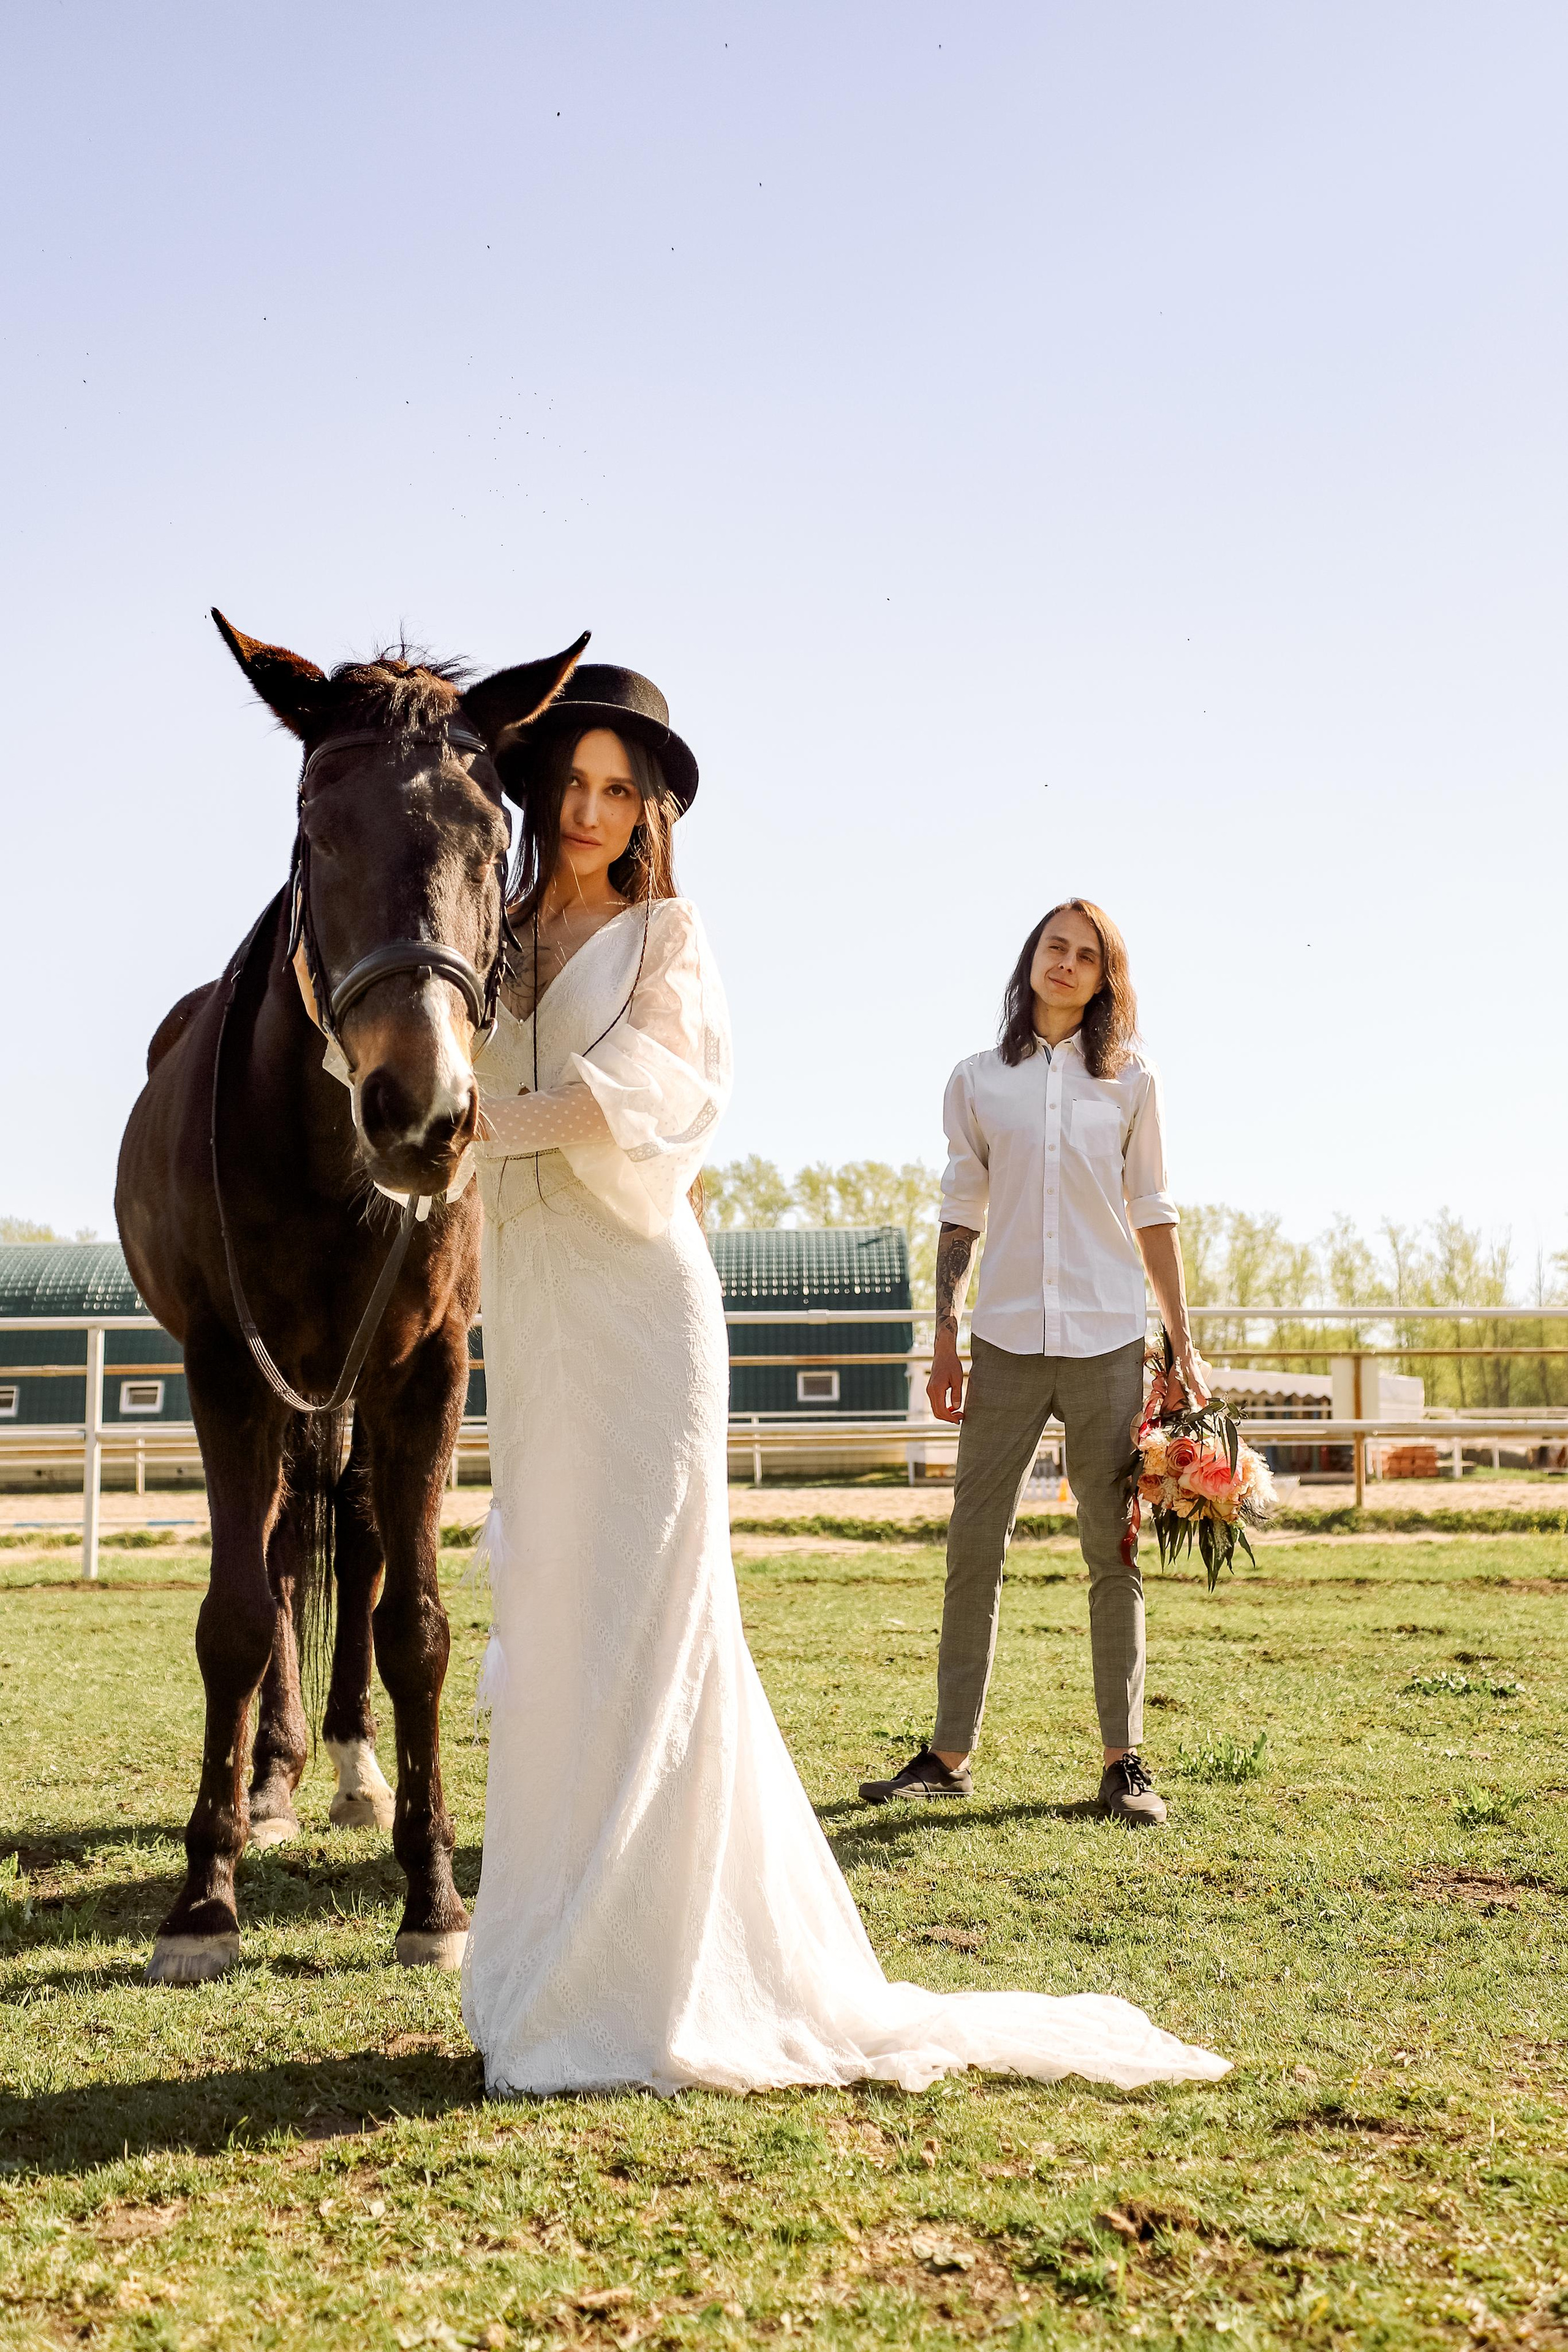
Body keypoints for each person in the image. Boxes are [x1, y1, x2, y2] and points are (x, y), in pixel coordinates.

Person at [461, 695, 1226, 2097]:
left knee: (639, 1614)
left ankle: (637, 1969)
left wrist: (483, 1122)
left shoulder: (665, 940)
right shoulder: (496, 936)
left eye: (616, 789)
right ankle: (542, 1944)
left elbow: (659, 1097)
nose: (585, 809)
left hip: (633, 1299)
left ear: (651, 814)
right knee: (558, 1609)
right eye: (568, 783)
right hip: (530, 1303)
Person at [860, 901, 1210, 1825]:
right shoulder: (978, 1081)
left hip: (1109, 1342)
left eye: (1087, 955)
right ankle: (947, 1754)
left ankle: (1124, 1763)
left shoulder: (1132, 1083)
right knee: (973, 1546)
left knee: (1115, 1553)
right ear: (1031, 962)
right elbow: (959, 1208)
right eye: (1055, 947)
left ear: (1105, 978)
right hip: (1004, 1342)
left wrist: (1184, 1341)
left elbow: (1155, 1211)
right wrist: (944, 1330)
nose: (1067, 963)